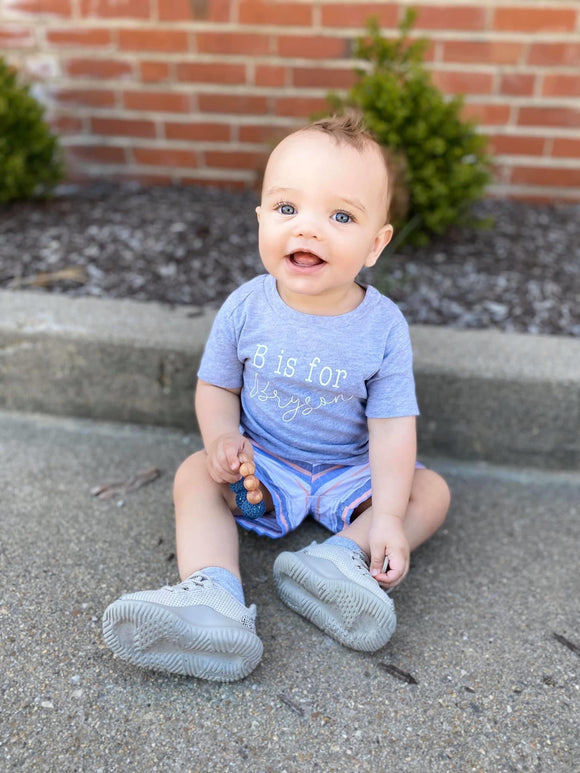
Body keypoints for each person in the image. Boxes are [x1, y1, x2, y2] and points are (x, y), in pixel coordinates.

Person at [102, 112, 451, 682]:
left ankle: (340, 558)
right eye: (287, 209)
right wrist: (221, 438)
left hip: (348, 470)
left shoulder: (383, 327)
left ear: (375, 243)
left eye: (340, 216)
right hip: (264, 467)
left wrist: (386, 514)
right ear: (261, 218)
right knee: (194, 475)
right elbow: (218, 384)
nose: (307, 230)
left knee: (430, 491)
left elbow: (392, 426)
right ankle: (214, 597)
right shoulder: (246, 307)